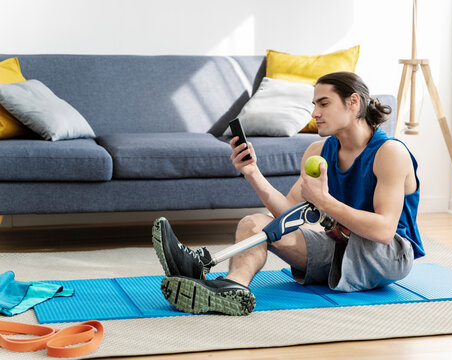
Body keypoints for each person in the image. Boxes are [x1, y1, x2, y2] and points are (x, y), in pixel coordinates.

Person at [152, 71, 424, 316]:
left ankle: (207, 273)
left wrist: (324, 201)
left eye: (324, 104)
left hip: (389, 253)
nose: (315, 113)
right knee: (254, 222)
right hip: (341, 243)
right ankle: (232, 288)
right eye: (314, 105)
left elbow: (384, 231)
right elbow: (286, 213)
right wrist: (252, 173)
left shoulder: (390, 153)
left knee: (362, 234)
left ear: (353, 102)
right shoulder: (318, 152)